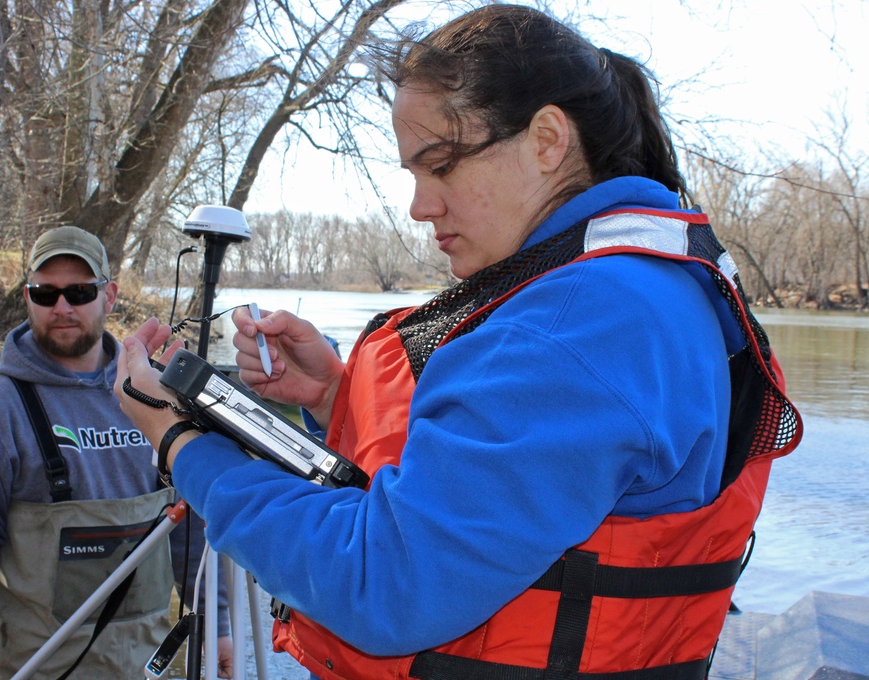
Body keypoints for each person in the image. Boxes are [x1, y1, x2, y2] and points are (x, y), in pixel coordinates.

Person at [114, 5, 803, 680]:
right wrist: (334, 394)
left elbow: (383, 586)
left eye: (440, 164)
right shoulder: (645, 288)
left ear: (546, 139)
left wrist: (182, 445)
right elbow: (519, 488)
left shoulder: (575, 323)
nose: (420, 205)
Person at [0, 226, 233, 679]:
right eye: (45, 293)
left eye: (80, 291)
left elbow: (188, 527)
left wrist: (218, 627)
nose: (63, 307)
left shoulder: (151, 396)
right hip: (35, 669)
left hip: (146, 666)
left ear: (109, 296)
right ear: (27, 297)